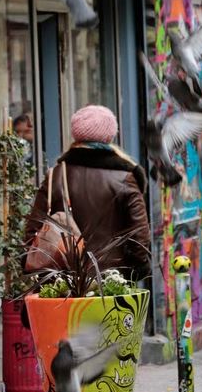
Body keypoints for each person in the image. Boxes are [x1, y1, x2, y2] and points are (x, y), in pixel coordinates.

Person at [24, 105, 149, 280]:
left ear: (76, 134)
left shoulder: (57, 175)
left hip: (63, 284)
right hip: (111, 282)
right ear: (110, 136)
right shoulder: (125, 178)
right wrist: (135, 270)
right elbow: (140, 237)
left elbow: (33, 230)